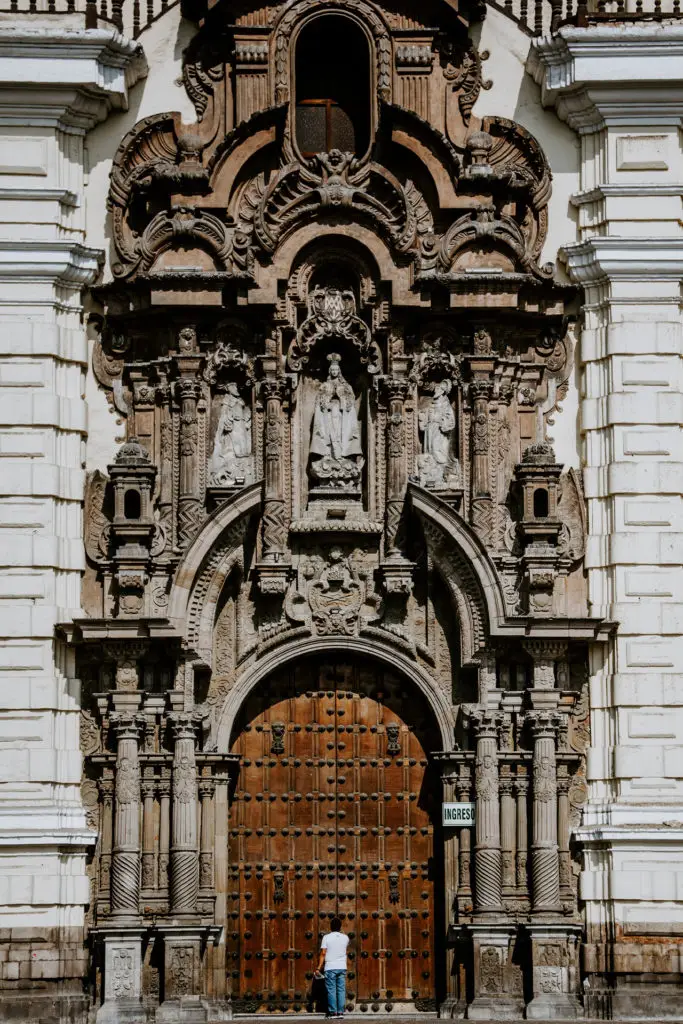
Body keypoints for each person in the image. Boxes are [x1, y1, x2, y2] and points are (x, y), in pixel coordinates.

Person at [316, 916, 349, 1019]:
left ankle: (333, 1012)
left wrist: (318, 967)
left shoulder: (326, 937)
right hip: (342, 966)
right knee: (341, 990)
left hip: (330, 967)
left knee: (331, 990)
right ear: (340, 927)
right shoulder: (345, 938)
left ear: (331, 926)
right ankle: (340, 1012)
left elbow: (323, 953)